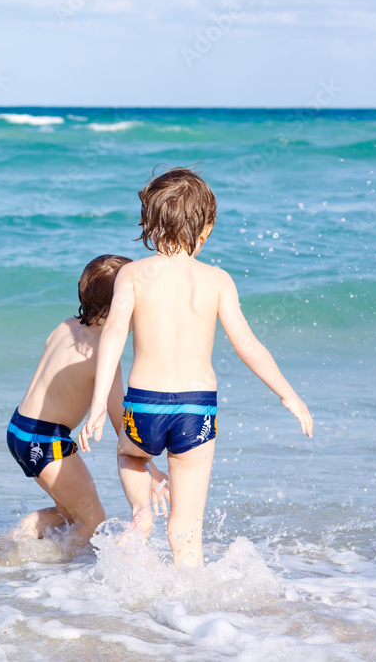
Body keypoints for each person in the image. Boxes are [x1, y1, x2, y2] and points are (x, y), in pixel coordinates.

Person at [79, 168, 314, 567]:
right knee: (187, 530)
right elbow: (247, 344)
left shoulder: (132, 275)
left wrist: (100, 401)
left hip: (144, 404)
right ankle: (191, 617)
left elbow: (114, 336)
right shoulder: (217, 280)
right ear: (205, 228)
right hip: (196, 409)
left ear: (148, 223)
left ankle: (141, 513)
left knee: (133, 458)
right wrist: (287, 393)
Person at [6, 254, 169, 554]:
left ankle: (14, 544)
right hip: (45, 440)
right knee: (93, 519)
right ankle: (46, 566)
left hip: (19, 432)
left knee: (71, 515)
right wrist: (152, 471)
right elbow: (123, 425)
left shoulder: (65, 326)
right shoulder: (104, 357)